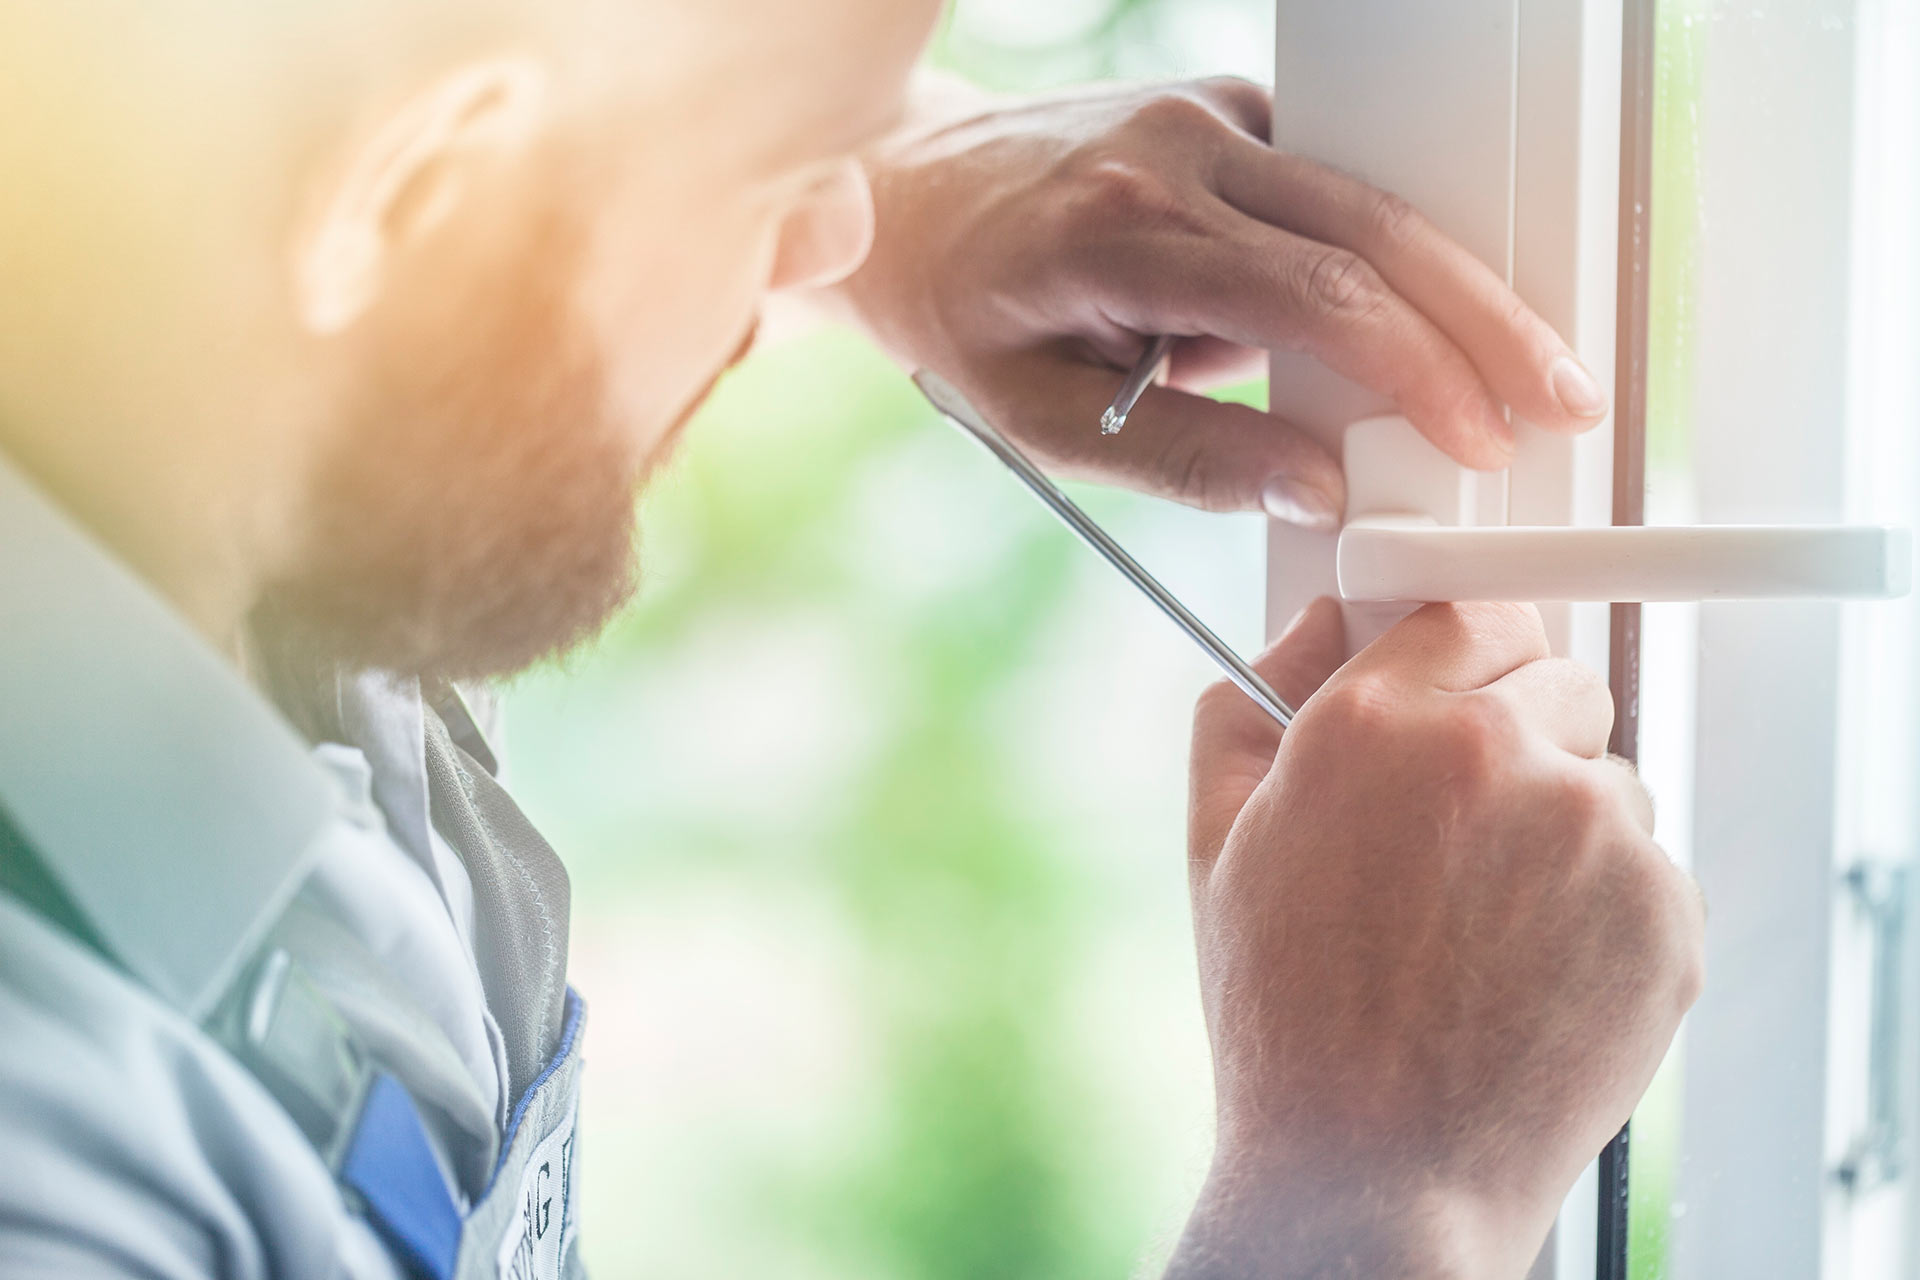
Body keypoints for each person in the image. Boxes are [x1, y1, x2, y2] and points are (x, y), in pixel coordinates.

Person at [0, 2, 1703, 1277]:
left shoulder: (227, 468)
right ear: (415, 194)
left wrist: (892, 156)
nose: (841, 245)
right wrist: (1375, 1193)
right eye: (789, 185)